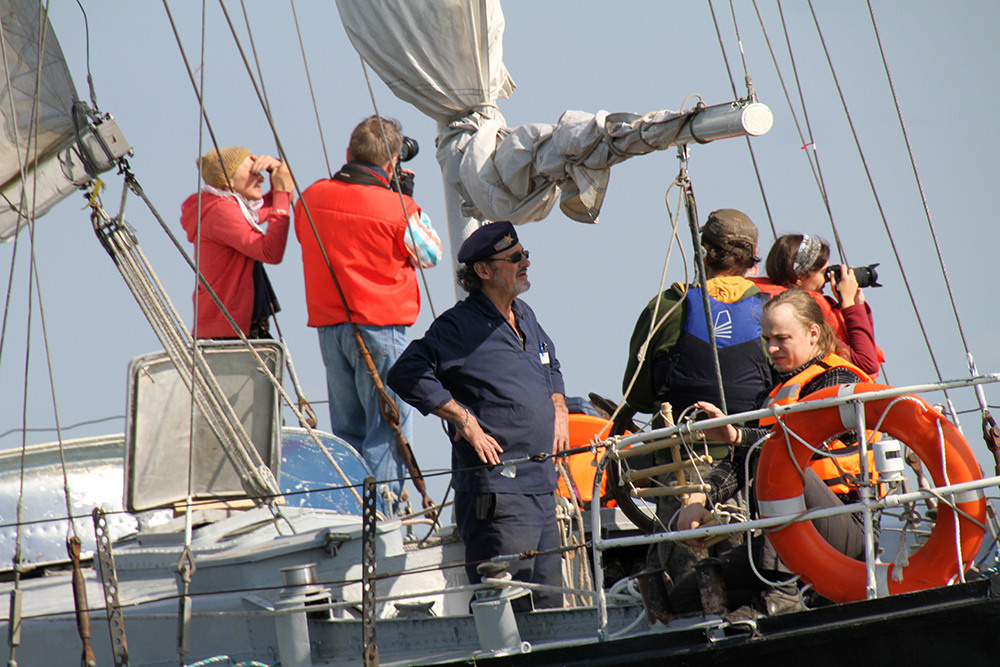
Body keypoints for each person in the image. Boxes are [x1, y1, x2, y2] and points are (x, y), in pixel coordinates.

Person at [387, 221, 569, 609]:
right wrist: (463, 419)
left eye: (526, 255)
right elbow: (405, 373)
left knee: (551, 609)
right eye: (515, 258)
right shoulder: (459, 326)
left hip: (541, 487)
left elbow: (550, 362)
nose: (525, 263)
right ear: (483, 271)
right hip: (500, 496)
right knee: (506, 609)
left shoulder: (525, 314)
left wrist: (559, 407)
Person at [669, 288, 873, 615]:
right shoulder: (772, 395)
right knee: (682, 600)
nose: (772, 348)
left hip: (848, 532)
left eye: (782, 338)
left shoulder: (839, 380)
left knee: (780, 465)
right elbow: (740, 462)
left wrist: (736, 434)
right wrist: (700, 501)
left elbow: (795, 443)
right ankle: (759, 606)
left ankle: (780, 598)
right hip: (783, 541)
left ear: (813, 333)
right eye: (766, 339)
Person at [294, 116, 441, 513]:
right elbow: (430, 255)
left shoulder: (309, 197)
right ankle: (382, 518)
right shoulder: (399, 207)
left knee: (347, 431)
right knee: (386, 430)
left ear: (348, 155)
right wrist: (404, 198)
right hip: (380, 327)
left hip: (330, 328)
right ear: (392, 164)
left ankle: (354, 514)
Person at [621, 209, 771, 585]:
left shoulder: (668, 307)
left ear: (703, 253)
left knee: (686, 572)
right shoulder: (774, 312)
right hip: (751, 463)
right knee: (748, 568)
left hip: (683, 467)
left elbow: (637, 391)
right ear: (753, 259)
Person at [181, 146, 293, 339]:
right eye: (254, 172)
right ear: (228, 180)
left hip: (240, 330)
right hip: (228, 334)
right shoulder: (220, 212)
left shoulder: (230, 208)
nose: (262, 179)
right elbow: (270, 252)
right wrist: (282, 190)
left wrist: (278, 171)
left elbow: (275, 201)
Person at [752, 233, 883, 376]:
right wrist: (850, 306)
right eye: (823, 273)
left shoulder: (764, 302)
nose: (827, 279)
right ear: (800, 278)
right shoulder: (803, 312)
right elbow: (866, 365)